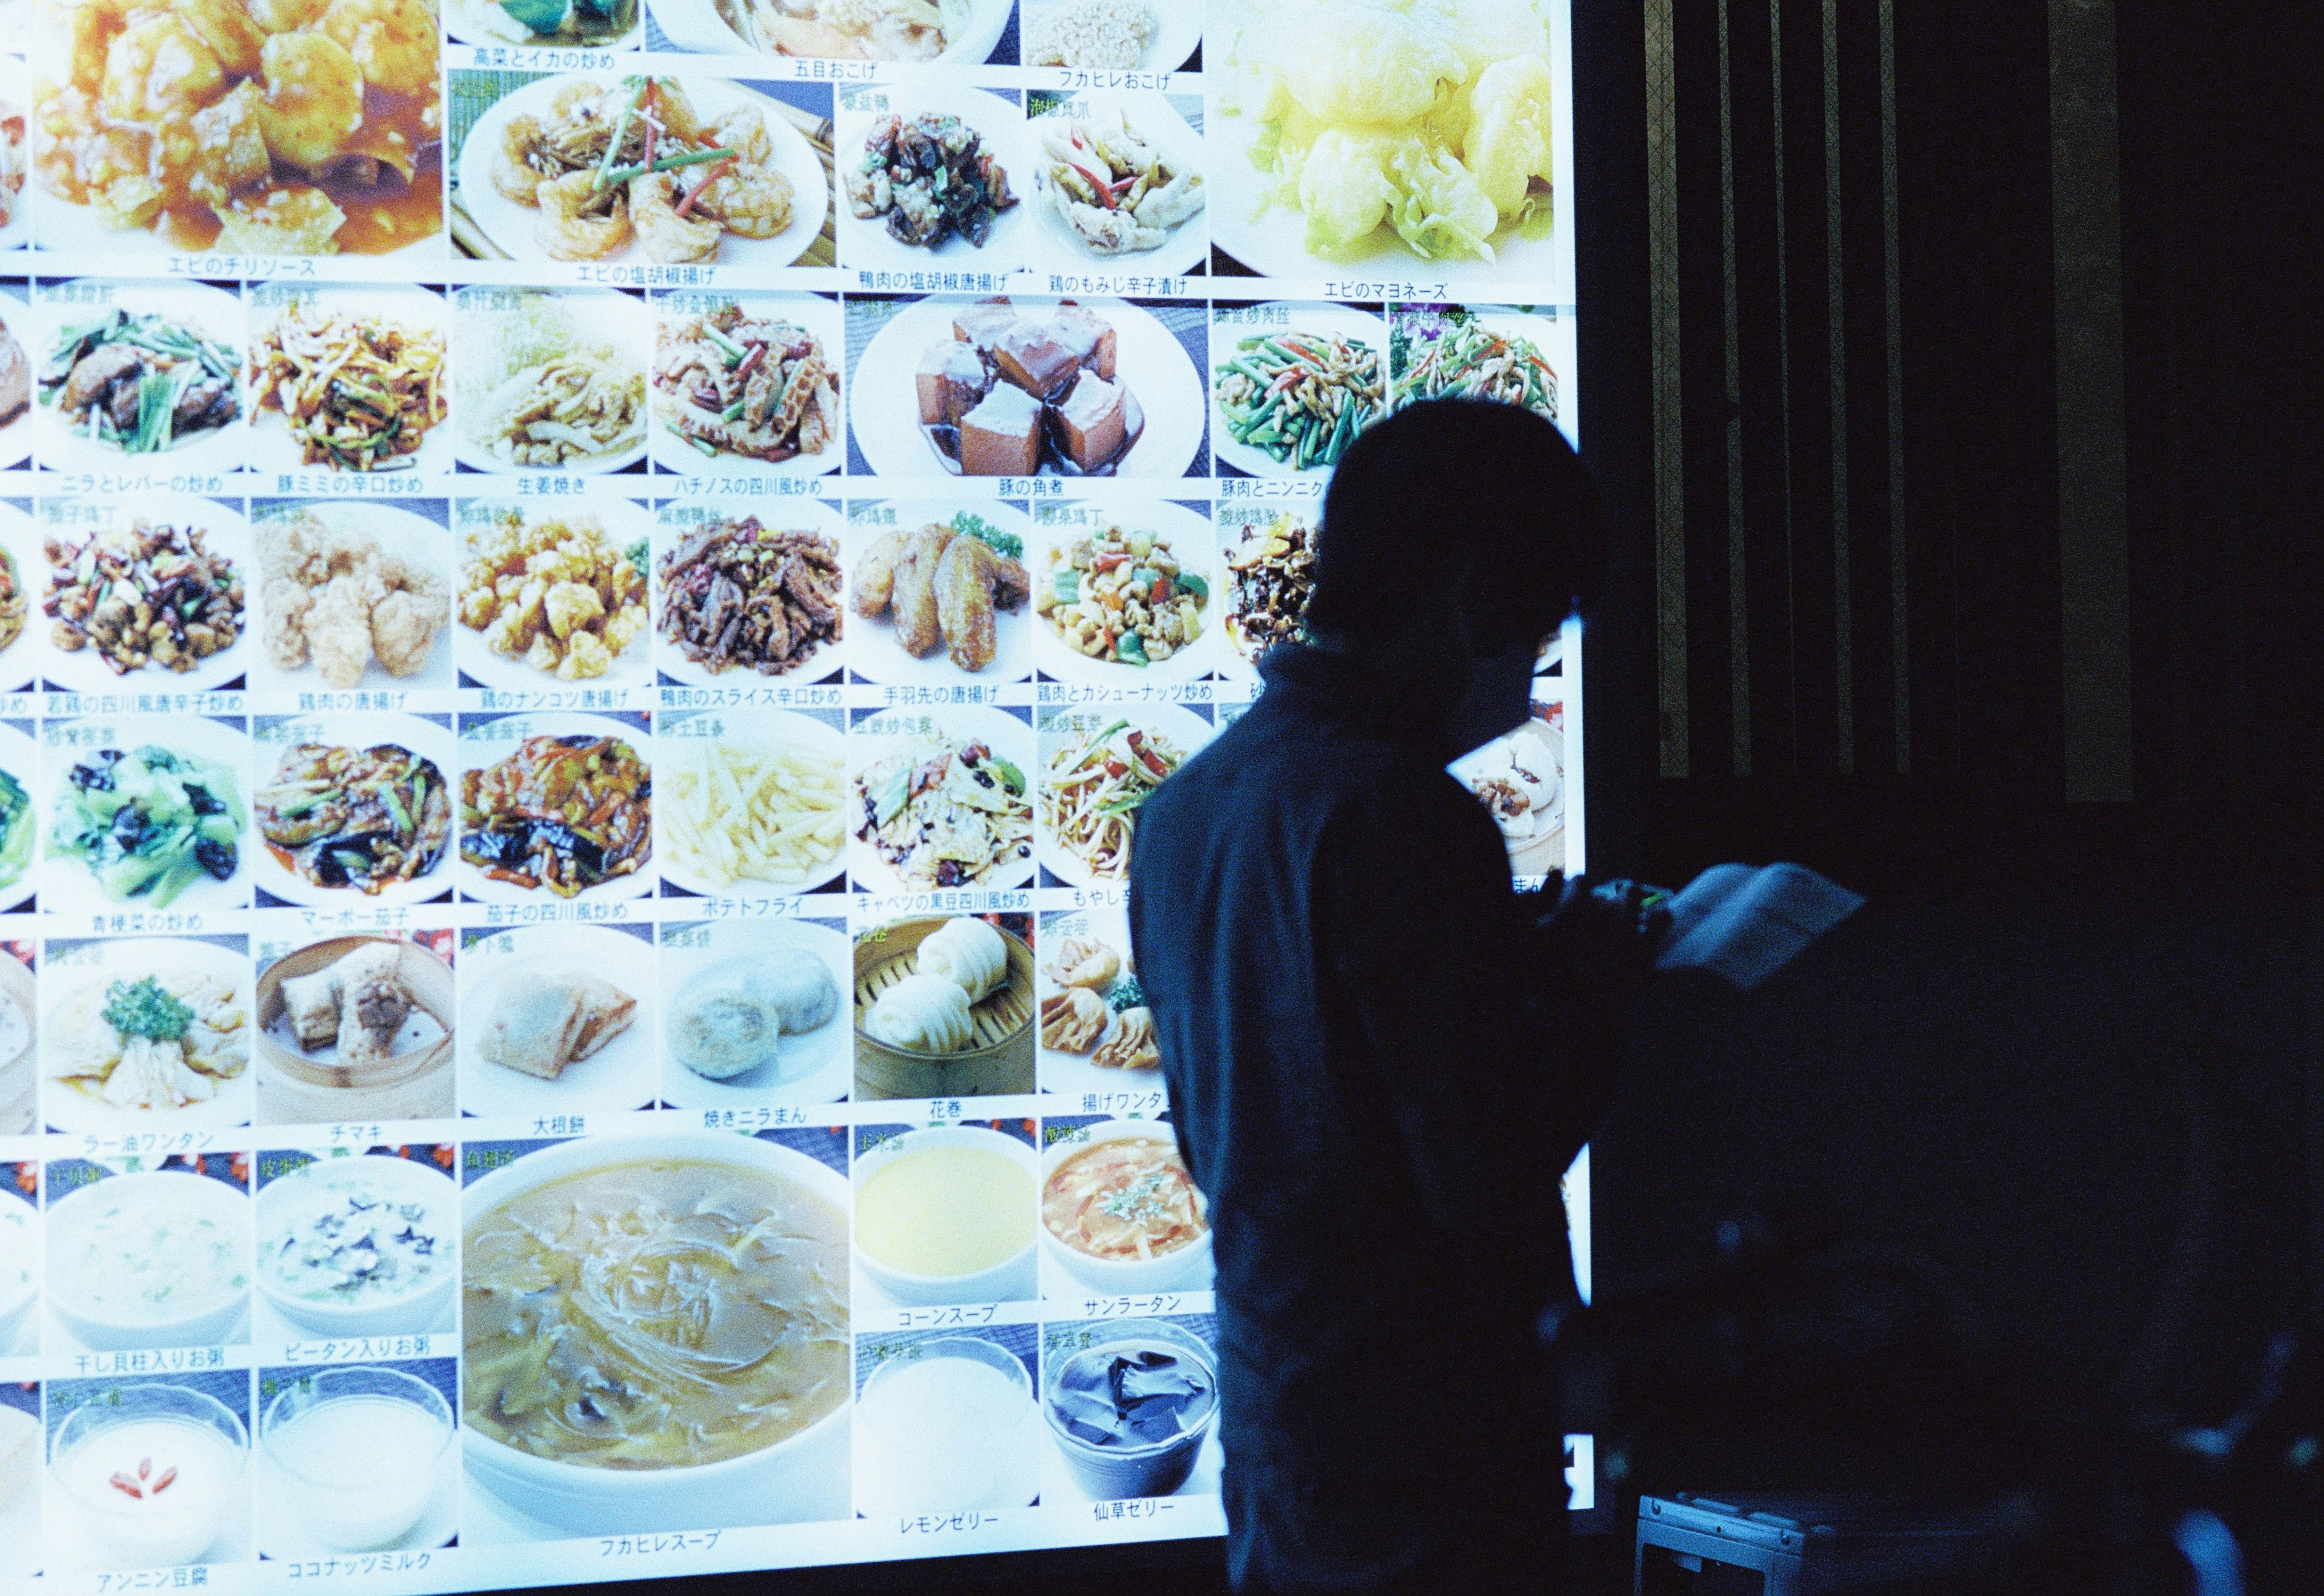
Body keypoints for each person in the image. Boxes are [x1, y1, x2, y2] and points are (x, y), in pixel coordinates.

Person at [1130, 400, 1659, 1594]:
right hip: (1432, 1457)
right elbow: (1482, 1169)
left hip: (1282, 1430)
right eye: (1534, 637)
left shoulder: (1184, 809)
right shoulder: (1404, 813)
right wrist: (1589, 989)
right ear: (1475, 604)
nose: (1525, 692)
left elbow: (1232, 1126)